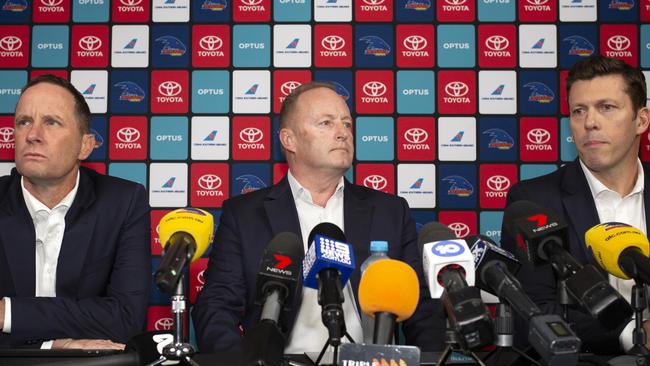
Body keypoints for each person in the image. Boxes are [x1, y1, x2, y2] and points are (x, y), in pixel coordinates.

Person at [193, 82, 446, 353]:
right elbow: (216, 307)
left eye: (347, 124)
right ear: (289, 140)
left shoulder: (390, 212)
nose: (343, 134)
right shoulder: (244, 215)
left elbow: (424, 313)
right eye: (326, 123)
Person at [501, 55, 650, 354]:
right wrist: (634, 333)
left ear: (641, 120)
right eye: (578, 111)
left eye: (606, 107)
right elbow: (532, 311)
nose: (590, 122)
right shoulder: (533, 202)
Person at [0, 74, 151, 349]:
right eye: (24, 122)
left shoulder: (123, 202)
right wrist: (50, 347)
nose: (32, 135)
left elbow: (125, 318)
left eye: (51, 122)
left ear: (85, 145)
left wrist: (8, 313)